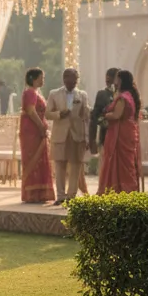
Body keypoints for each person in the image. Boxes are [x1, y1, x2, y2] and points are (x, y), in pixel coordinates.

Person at [46, 68, 90, 205]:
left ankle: (71, 196)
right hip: (60, 134)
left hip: (77, 135)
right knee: (60, 165)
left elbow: (85, 116)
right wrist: (59, 114)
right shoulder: (54, 94)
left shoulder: (82, 95)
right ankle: (60, 196)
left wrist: (87, 137)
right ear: (64, 79)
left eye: (75, 80)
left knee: (76, 166)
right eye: (71, 80)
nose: (73, 83)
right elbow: (47, 114)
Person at [97, 70, 142, 194]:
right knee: (127, 163)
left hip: (120, 133)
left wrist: (105, 115)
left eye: (117, 79)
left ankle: (119, 191)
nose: (114, 82)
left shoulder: (123, 97)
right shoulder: (130, 95)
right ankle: (126, 189)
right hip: (127, 131)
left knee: (121, 162)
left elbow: (117, 115)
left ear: (121, 80)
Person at [19, 67, 54, 203]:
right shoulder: (30, 93)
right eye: (41, 78)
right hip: (32, 131)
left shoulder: (36, 93)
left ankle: (39, 193)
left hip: (37, 129)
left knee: (41, 160)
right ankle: (32, 193)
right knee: (33, 159)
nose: (43, 80)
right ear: (33, 79)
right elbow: (31, 111)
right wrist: (41, 126)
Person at [89, 67, 118, 156]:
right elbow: (94, 117)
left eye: (111, 80)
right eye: (107, 81)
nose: (109, 83)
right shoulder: (102, 94)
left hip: (122, 136)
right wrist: (92, 140)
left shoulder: (125, 95)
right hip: (106, 135)